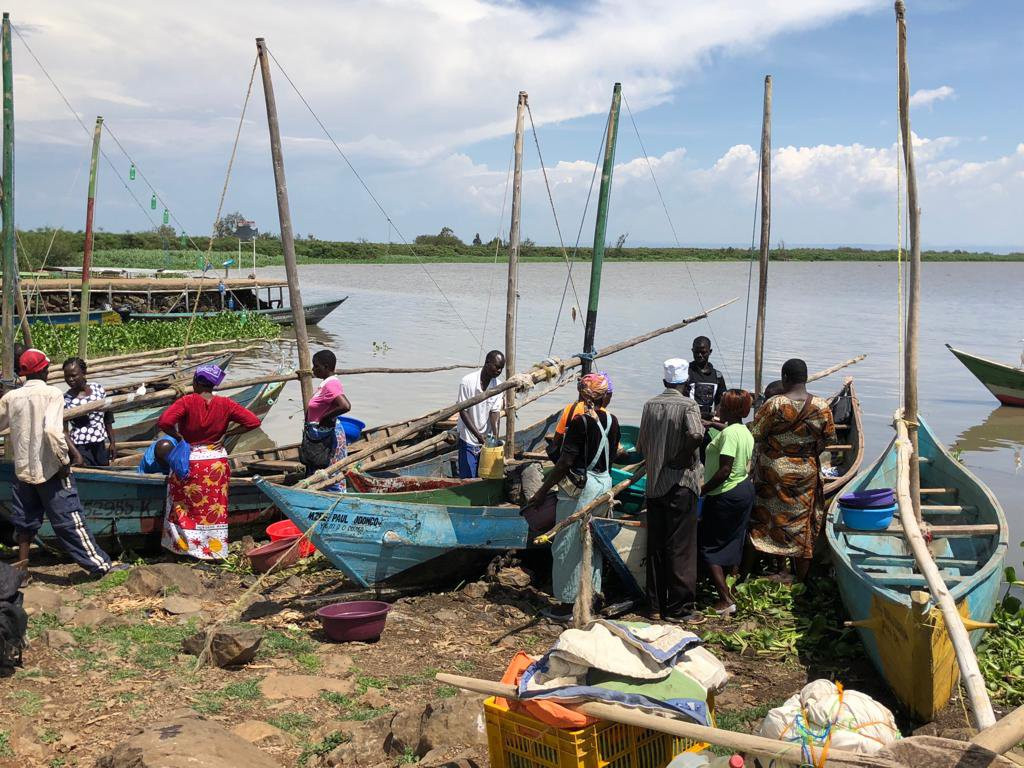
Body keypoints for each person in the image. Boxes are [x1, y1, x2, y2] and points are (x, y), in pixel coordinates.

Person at [0, 349, 116, 576]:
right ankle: (100, 565)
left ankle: (22, 570)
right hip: (51, 469)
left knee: (24, 522)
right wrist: (64, 460)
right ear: (44, 370)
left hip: (23, 468)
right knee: (70, 520)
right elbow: (53, 431)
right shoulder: (53, 394)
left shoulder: (11, 398)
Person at [526, 373, 619, 622]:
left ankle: (568, 604)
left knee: (566, 545)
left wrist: (541, 492)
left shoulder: (580, 422)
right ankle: (591, 596)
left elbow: (565, 463)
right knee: (591, 543)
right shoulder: (612, 420)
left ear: (583, 394)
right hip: (603, 485)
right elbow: (611, 457)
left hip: (580, 489)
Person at [156, 364, 261, 560]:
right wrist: (228, 434)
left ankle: (184, 549)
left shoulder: (187, 401)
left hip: (192, 460)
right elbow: (253, 422)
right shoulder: (226, 404)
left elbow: (164, 422)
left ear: (196, 382)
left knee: (184, 506)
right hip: (215, 462)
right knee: (214, 506)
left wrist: (179, 438)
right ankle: (213, 551)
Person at [748, 358, 836, 581]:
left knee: (772, 520)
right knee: (802, 523)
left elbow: (756, 432)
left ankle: (779, 569)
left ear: (784, 377)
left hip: (773, 473)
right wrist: (804, 452)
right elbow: (827, 439)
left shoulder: (775, 404)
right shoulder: (822, 406)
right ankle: (801, 578)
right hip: (806, 472)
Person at [637, 358, 705, 623]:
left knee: (656, 546)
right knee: (681, 547)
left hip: (654, 485)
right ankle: (679, 609)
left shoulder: (650, 405)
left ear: (665, 381)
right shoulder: (689, 405)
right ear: (685, 382)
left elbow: (642, 446)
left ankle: (654, 607)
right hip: (681, 485)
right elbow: (697, 434)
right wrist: (683, 456)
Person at [699, 389, 755, 614]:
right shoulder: (743, 430)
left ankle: (725, 599)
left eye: (720, 405)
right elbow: (730, 430)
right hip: (743, 489)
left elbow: (724, 470)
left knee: (708, 546)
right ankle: (732, 583)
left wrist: (702, 490)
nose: (717, 409)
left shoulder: (730, 435)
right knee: (732, 540)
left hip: (725, 492)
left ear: (729, 409)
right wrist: (711, 424)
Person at [303, 350, 353, 492]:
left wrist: (324, 418)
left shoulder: (331, 384)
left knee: (330, 472)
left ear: (325, 367)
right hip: (321, 433)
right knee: (322, 470)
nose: (313, 369)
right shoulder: (326, 384)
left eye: (316, 366)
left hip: (328, 435)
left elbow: (345, 406)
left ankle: (335, 500)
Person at [455, 350, 505, 478]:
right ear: (487, 363)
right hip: (468, 437)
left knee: (486, 476)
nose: (499, 371)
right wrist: (478, 436)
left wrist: (495, 435)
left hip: (485, 440)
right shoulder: (467, 382)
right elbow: (463, 411)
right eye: (497, 367)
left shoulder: (498, 387)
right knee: (468, 479)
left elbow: (494, 413)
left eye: (501, 369)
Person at [546, 372, 613, 461]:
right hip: (594, 466)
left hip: (571, 463)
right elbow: (613, 450)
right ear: (604, 396)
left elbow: (557, 440)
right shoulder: (610, 418)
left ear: (582, 393)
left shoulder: (570, 409)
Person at [62, 357, 115, 467]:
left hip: (100, 443)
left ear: (84, 373)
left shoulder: (98, 389)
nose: (70, 379)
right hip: (80, 447)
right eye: (67, 376)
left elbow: (108, 417)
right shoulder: (65, 399)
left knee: (104, 474)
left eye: (74, 375)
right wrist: (77, 455)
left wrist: (112, 442)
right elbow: (64, 432)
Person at [685, 337, 727, 422]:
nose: (699, 355)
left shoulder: (717, 376)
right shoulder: (686, 373)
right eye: (697, 352)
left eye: (703, 352)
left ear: (710, 352)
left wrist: (716, 416)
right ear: (692, 351)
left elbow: (720, 400)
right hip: (689, 419)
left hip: (708, 421)